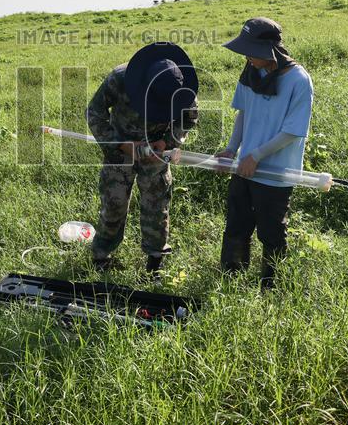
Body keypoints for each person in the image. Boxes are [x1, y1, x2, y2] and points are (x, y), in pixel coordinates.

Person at [216, 17, 313, 289]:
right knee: (236, 225)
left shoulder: (298, 80)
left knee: (271, 233)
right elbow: (243, 114)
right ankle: (231, 278)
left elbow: (293, 131)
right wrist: (231, 149)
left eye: (251, 51)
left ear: (269, 51)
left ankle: (271, 287)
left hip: (275, 172)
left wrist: (256, 155)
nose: (247, 57)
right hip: (244, 168)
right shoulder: (250, 73)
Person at [86, 42, 199, 277]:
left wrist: (167, 142)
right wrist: (119, 143)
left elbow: (188, 119)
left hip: (156, 152)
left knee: (157, 206)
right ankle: (101, 257)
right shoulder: (119, 79)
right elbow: (94, 112)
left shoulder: (183, 89)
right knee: (114, 204)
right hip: (120, 151)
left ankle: (155, 262)